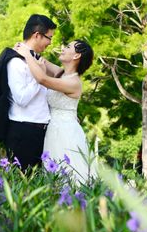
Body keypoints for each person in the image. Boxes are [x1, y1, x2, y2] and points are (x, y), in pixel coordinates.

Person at [16, 39, 97, 183]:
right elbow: (43, 62)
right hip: (53, 131)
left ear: (76, 56)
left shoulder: (73, 82)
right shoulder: (62, 74)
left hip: (66, 133)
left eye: (67, 46)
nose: (63, 48)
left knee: (69, 175)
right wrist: (26, 48)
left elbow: (42, 79)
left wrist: (26, 55)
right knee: (55, 176)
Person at [5, 14, 62, 171]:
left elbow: (61, 74)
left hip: (41, 133)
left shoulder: (37, 60)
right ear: (37, 35)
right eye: (49, 38)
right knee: (24, 189)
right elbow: (21, 98)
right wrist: (39, 78)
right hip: (24, 133)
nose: (50, 43)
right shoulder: (16, 62)